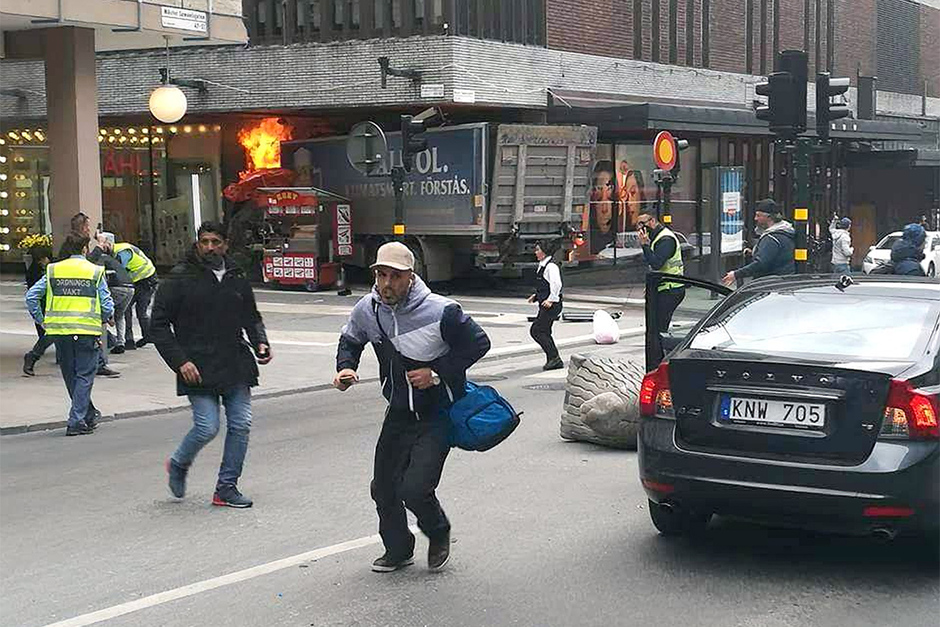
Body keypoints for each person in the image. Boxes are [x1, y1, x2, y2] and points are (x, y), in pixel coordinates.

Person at [333, 242, 490, 573]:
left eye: (395, 276)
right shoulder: (368, 309)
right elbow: (350, 338)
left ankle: (438, 531)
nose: (386, 284)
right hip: (399, 411)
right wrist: (345, 366)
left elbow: (478, 343)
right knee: (383, 487)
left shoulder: (441, 310)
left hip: (438, 413)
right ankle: (399, 549)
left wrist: (435, 372)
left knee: (415, 489)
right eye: (381, 275)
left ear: (411, 277)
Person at [151, 222, 271, 508]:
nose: (209, 247)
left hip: (234, 362)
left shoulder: (236, 274)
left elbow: (250, 315)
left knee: (241, 424)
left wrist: (260, 342)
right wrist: (180, 362)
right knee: (207, 427)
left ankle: (226, 489)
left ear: (226, 244)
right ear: (198, 243)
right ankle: (179, 463)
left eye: (216, 242)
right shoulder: (180, 278)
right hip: (197, 365)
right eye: (204, 241)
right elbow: (158, 326)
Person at [25, 233, 114, 436]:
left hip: (60, 331)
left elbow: (31, 296)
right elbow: (107, 303)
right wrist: (106, 317)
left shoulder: (53, 269)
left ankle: (88, 414)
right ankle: (76, 420)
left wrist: (42, 319)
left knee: (70, 375)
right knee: (85, 375)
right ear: (84, 249)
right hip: (86, 331)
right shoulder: (95, 271)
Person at [723, 199, 795, 286]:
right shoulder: (784, 232)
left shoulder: (771, 238)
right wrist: (753, 252)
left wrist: (736, 274)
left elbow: (761, 264)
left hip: (770, 283)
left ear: (769, 217)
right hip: (780, 281)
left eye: (758, 215)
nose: (755, 218)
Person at [637, 212, 686, 334]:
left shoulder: (666, 239)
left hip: (671, 288)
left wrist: (645, 246)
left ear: (652, 221)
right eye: (638, 225)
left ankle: (662, 350)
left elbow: (657, 263)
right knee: (655, 326)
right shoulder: (657, 238)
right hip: (663, 286)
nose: (640, 228)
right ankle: (658, 349)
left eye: (643, 224)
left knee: (659, 327)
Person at [93, 233, 137, 355]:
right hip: (130, 288)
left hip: (117, 287)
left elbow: (102, 280)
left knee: (104, 310)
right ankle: (120, 343)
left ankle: (105, 345)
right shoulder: (114, 259)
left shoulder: (101, 259)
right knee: (120, 315)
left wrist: (108, 315)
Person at [112, 240, 158, 350]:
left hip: (146, 281)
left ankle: (146, 336)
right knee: (128, 310)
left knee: (140, 311)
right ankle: (130, 340)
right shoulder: (120, 250)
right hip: (140, 281)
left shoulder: (122, 251)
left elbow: (121, 270)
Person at [527, 240, 564, 371]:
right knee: (544, 331)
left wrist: (551, 299)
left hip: (551, 305)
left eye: (538, 250)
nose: (536, 252)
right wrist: (536, 296)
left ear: (544, 251)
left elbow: (556, 284)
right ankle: (552, 358)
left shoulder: (551, 266)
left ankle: (555, 358)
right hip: (545, 303)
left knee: (537, 330)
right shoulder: (543, 265)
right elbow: (545, 285)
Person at [22, 246, 54, 376]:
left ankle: (32, 357)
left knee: (51, 335)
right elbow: (32, 295)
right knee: (49, 335)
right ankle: (32, 356)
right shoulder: (36, 272)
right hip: (46, 307)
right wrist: (39, 318)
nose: (42, 262)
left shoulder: (50, 269)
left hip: (50, 306)